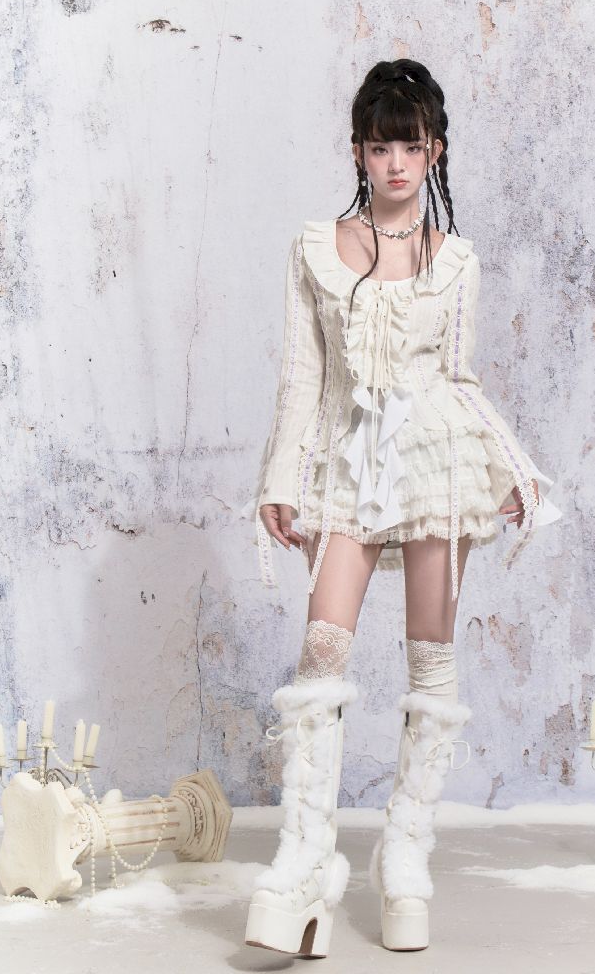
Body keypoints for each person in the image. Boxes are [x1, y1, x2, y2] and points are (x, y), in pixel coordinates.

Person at [240, 58, 562, 957]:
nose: (394, 164)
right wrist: (279, 478)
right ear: (357, 151)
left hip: (435, 461)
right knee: (321, 652)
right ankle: (305, 857)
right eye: (379, 147)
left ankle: (405, 855)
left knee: (432, 659)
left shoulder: (456, 262)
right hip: (348, 460)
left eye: (409, 147)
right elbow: (303, 376)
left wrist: (507, 466)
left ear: (434, 152)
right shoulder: (316, 247)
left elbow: (459, 379)